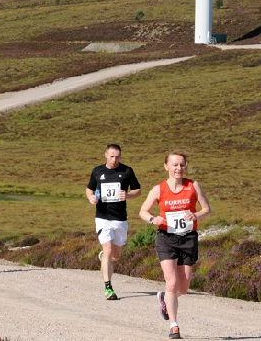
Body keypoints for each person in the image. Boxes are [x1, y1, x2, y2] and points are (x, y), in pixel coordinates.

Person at [139, 150, 211, 340]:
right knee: (171, 283)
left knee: (184, 288)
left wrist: (196, 215)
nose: (179, 168)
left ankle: (164, 299)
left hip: (188, 238)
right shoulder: (158, 189)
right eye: (175, 165)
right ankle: (174, 325)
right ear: (166, 167)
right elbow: (143, 211)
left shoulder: (193, 185)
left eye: (182, 165)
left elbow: (207, 209)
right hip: (166, 238)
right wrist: (153, 218)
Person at [86, 144, 141, 300]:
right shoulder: (97, 171)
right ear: (105, 155)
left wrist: (128, 195)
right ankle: (108, 287)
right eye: (112, 156)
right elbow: (89, 189)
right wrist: (90, 197)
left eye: (117, 156)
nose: (114, 159)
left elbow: (138, 190)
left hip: (120, 219)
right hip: (103, 218)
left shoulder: (127, 171)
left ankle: (106, 256)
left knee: (115, 255)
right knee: (109, 250)